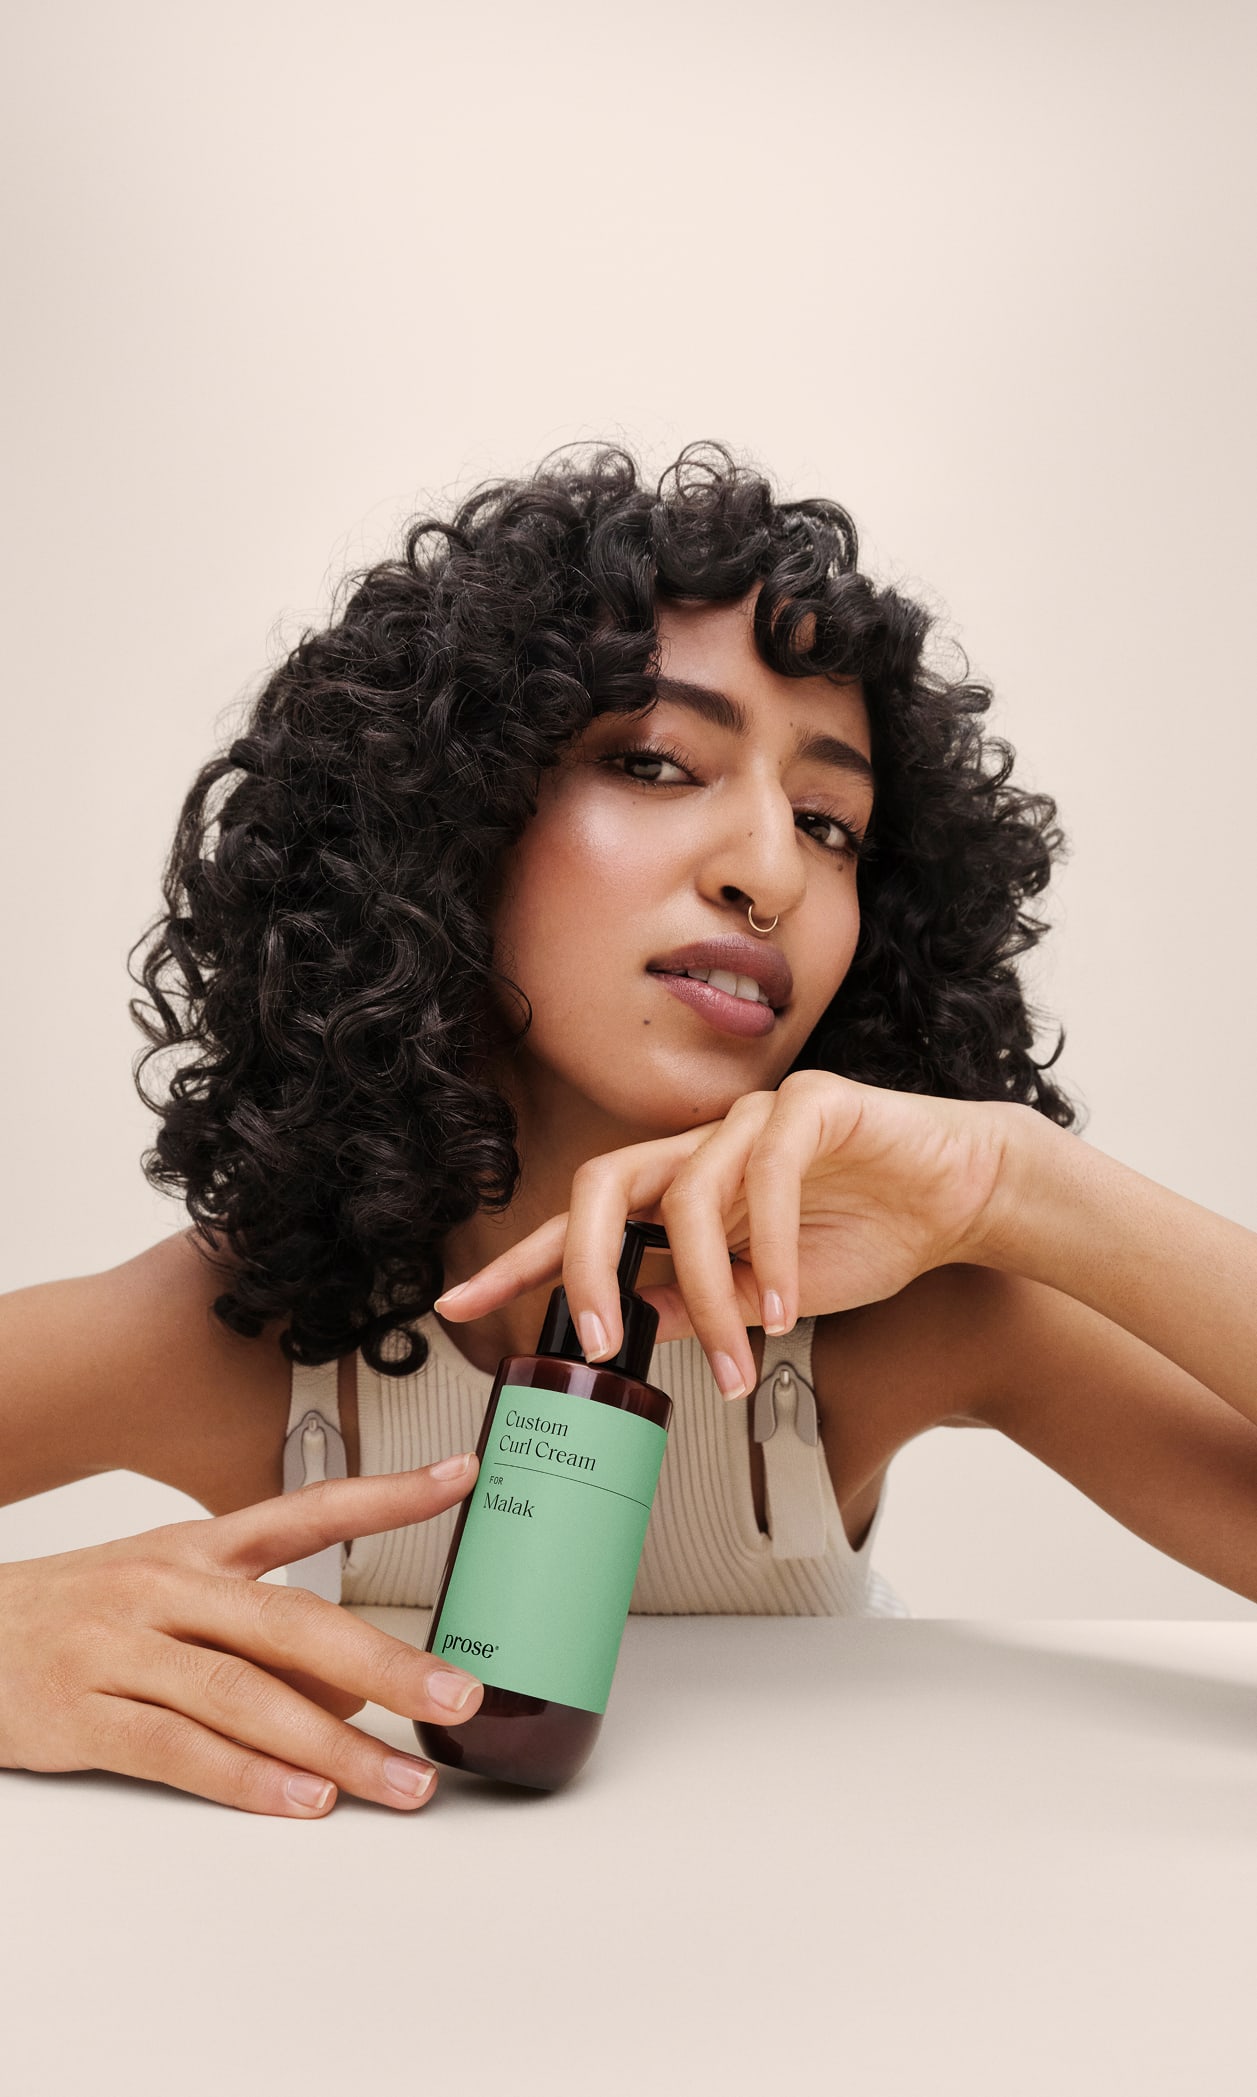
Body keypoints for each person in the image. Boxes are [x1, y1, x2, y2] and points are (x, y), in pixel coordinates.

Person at [2, 442, 1254, 1820]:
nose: (768, 869)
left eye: (830, 823)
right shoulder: (244, 1331)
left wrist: (1012, 1178)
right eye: (656, 761)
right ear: (445, 817)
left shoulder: (911, 1315)